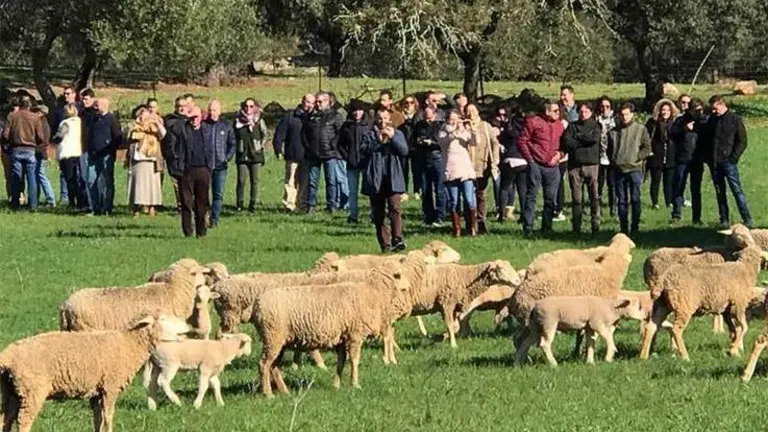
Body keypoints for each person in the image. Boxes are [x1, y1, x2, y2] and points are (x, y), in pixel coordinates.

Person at [700, 95, 752, 227]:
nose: (713, 111)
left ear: (722, 104)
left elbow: (742, 141)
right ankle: (724, 219)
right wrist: (708, 157)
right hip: (714, 162)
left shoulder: (735, 119)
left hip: (728, 161)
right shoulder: (711, 120)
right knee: (719, 192)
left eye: (715, 108)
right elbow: (705, 139)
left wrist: (733, 158)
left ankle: (747, 219)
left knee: (736, 190)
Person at [360, 110, 408, 252]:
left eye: (385, 118)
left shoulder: (398, 134)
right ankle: (385, 245)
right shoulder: (369, 135)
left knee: (394, 207)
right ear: (376, 119)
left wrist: (392, 138)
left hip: (393, 177)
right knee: (378, 213)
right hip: (375, 177)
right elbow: (363, 150)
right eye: (380, 118)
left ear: (389, 119)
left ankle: (397, 238)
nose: (382, 121)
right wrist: (378, 141)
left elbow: (404, 151)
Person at [167, 106, 212, 237]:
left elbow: (211, 148)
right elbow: (173, 130)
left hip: (203, 169)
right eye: (191, 118)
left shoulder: (206, 130)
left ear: (201, 118)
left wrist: (210, 165)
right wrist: (184, 117)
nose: (194, 120)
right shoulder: (183, 129)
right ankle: (187, 231)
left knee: (202, 202)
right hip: (186, 170)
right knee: (186, 202)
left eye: (196, 117)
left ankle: (201, 231)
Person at [608, 102, 651, 234]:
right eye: (622, 115)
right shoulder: (613, 132)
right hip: (619, 169)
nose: (624, 117)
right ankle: (624, 227)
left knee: (635, 199)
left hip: (634, 169)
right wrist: (613, 160)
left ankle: (635, 227)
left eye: (627, 114)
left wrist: (637, 157)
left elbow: (647, 147)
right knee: (621, 201)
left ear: (632, 114)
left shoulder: (640, 129)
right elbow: (609, 150)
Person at [561, 102, 602, 234]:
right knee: (576, 198)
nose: (583, 114)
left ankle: (595, 225)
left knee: (594, 197)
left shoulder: (596, 125)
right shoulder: (572, 126)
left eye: (586, 112)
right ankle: (576, 227)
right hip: (575, 166)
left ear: (591, 112)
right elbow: (567, 141)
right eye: (581, 112)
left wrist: (578, 137)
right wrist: (583, 140)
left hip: (592, 165)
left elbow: (593, 139)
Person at [1, 96, 46, 210]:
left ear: (20, 104)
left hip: (16, 149)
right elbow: (41, 137)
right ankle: (33, 205)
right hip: (30, 149)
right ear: (29, 105)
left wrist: (9, 143)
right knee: (31, 177)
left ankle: (15, 203)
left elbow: (5, 135)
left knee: (16, 177)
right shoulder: (35, 118)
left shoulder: (12, 116)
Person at [302, 92, 344, 213]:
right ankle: (311, 205)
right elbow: (304, 133)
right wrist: (308, 146)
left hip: (329, 154)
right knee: (312, 181)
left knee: (331, 180)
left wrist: (333, 145)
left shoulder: (335, 116)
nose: (317, 104)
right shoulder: (311, 116)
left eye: (320, 102)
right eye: (316, 101)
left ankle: (331, 205)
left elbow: (341, 133)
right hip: (313, 154)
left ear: (327, 102)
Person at [439, 110, 477, 237]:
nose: (455, 121)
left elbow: (474, 142)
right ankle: (457, 229)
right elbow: (446, 141)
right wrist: (455, 130)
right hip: (451, 171)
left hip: (465, 170)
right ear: (447, 120)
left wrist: (472, 130)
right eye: (452, 119)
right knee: (454, 201)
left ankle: (472, 228)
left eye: (457, 119)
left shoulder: (464, 132)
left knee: (469, 199)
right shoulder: (443, 132)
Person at [274, 94, 313, 212]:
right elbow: (279, 133)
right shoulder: (290, 116)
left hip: (307, 155)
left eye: (312, 103)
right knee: (290, 181)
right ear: (302, 101)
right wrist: (278, 149)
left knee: (304, 182)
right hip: (292, 154)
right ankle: (289, 204)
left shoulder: (313, 118)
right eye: (308, 102)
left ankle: (302, 204)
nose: (309, 105)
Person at [465, 103, 500, 234]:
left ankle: (481, 221)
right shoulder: (463, 126)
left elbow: (494, 143)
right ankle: (470, 223)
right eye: (468, 111)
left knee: (481, 194)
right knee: (468, 195)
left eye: (473, 110)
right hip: (466, 166)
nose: (471, 113)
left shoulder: (485, 126)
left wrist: (495, 159)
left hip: (482, 165)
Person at [670, 98, 705, 224]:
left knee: (696, 189)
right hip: (682, 159)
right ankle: (676, 215)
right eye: (696, 111)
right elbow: (672, 133)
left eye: (701, 110)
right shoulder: (681, 120)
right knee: (679, 187)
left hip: (696, 159)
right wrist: (684, 129)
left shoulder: (703, 121)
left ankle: (696, 217)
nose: (699, 113)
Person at [126, 105, 165, 217]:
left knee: (151, 187)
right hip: (138, 160)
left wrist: (156, 122)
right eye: (141, 116)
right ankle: (136, 209)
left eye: (147, 116)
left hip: (151, 160)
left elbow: (163, 134)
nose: (144, 118)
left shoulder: (154, 127)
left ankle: (151, 208)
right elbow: (127, 137)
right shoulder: (134, 127)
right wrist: (136, 124)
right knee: (137, 187)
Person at [85, 98, 122, 215]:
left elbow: (118, 137)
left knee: (107, 182)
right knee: (90, 180)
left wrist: (110, 150)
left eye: (97, 105)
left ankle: (107, 208)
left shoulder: (112, 119)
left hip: (106, 156)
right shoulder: (93, 118)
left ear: (105, 106)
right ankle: (95, 208)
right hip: (93, 156)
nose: (95, 107)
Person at [338, 100, 372, 224]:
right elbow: (340, 144)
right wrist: (347, 157)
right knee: (352, 191)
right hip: (352, 164)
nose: (357, 113)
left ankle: (374, 214)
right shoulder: (346, 126)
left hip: (367, 163)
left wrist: (369, 155)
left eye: (360, 110)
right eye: (355, 110)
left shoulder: (369, 125)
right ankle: (353, 215)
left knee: (371, 190)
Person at [413, 105, 445, 226]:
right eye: (425, 116)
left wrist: (431, 142)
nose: (426, 118)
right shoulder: (419, 125)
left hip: (437, 159)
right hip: (423, 159)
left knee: (439, 189)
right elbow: (413, 139)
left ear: (435, 114)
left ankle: (440, 215)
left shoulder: (440, 126)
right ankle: (428, 215)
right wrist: (418, 141)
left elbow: (442, 142)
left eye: (429, 116)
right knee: (425, 189)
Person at [644, 99, 680, 209]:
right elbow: (646, 137)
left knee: (668, 182)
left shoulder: (675, 123)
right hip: (656, 157)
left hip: (670, 157)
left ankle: (669, 202)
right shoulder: (652, 123)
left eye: (667, 110)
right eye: (663, 110)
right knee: (655, 181)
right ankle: (655, 203)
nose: (665, 112)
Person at [234, 98, 267, 213]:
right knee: (241, 180)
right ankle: (239, 204)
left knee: (255, 181)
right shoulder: (238, 121)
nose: (248, 108)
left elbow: (265, 134)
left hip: (255, 155)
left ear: (255, 107)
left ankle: (252, 204)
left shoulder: (259, 120)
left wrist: (260, 146)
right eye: (246, 106)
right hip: (242, 154)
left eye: (251, 106)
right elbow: (233, 136)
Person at [495, 104, 527, 223]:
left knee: (504, 188)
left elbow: (501, 140)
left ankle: (501, 215)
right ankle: (524, 215)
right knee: (522, 190)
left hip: (509, 159)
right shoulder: (525, 125)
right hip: (523, 160)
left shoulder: (508, 126)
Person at [206, 99, 236, 225]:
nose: (212, 113)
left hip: (220, 166)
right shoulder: (204, 125)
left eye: (214, 110)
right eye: (210, 110)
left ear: (219, 111)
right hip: (205, 166)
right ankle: (204, 216)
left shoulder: (226, 126)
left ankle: (214, 219)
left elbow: (232, 144)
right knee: (203, 194)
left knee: (218, 194)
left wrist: (227, 158)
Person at [554, 84, 579, 222]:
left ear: (572, 95)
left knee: (576, 181)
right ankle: (558, 208)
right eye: (561, 95)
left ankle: (578, 206)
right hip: (563, 152)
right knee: (559, 180)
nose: (562, 97)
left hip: (576, 151)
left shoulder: (578, 110)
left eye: (565, 94)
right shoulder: (558, 109)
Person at [51, 86, 79, 204]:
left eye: (68, 93)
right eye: (65, 94)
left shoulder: (80, 109)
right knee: (65, 173)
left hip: (75, 148)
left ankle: (74, 199)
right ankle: (65, 196)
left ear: (74, 94)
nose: (66, 96)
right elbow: (55, 128)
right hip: (65, 147)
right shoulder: (59, 111)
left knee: (74, 175)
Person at [52, 103, 83, 210]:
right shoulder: (80, 122)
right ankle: (81, 201)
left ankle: (72, 202)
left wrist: (53, 139)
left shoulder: (65, 123)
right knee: (78, 178)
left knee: (70, 179)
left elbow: (59, 137)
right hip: (78, 152)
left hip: (67, 153)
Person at [163, 96, 190, 212]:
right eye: (179, 106)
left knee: (187, 184)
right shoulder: (171, 121)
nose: (181, 109)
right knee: (177, 185)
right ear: (175, 107)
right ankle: (181, 206)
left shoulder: (190, 120)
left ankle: (188, 205)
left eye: (184, 106)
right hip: (173, 158)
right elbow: (177, 130)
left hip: (187, 158)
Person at [596, 96, 617, 216]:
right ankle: (597, 208)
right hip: (599, 156)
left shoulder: (616, 120)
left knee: (612, 184)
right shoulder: (595, 120)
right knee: (598, 184)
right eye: (602, 106)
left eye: (607, 106)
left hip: (612, 156)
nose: (605, 109)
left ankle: (613, 208)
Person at [31, 105, 55, 207]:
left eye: (36, 112)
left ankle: (50, 199)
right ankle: (35, 199)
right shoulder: (43, 123)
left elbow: (43, 141)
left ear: (41, 113)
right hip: (40, 152)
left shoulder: (42, 124)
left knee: (41, 175)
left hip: (39, 153)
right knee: (37, 176)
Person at [398, 95, 421, 198]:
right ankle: (403, 191)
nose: (408, 105)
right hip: (402, 146)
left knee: (416, 170)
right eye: (406, 103)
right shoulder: (399, 116)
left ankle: (417, 191)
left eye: (411, 102)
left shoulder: (418, 116)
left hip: (415, 147)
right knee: (403, 169)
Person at [79, 88, 97, 211]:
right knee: (84, 177)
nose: (84, 101)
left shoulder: (95, 114)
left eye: (86, 99)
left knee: (92, 178)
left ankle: (94, 204)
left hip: (92, 149)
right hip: (82, 148)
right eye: (82, 99)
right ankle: (86, 203)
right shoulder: (81, 114)